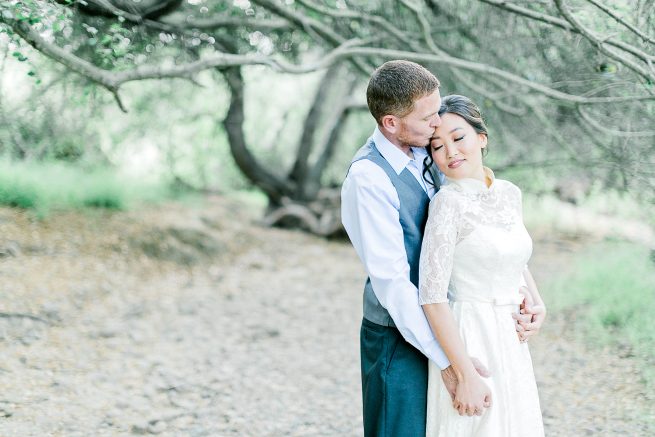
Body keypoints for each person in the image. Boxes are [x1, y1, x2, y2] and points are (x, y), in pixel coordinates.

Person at [341, 60, 544, 437]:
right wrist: (451, 363)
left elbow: (482, 232)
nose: (438, 124)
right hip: (397, 335)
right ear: (391, 123)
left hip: (457, 325)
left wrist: (530, 297)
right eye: (430, 118)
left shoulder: (426, 151)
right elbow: (393, 285)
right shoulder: (368, 179)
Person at [419, 94, 546, 436]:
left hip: (510, 336)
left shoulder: (509, 193)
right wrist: (464, 374)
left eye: (458, 138)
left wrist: (537, 304)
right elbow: (431, 297)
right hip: (471, 334)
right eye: (437, 146)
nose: (450, 152)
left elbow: (514, 257)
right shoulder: (447, 204)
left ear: (481, 137)